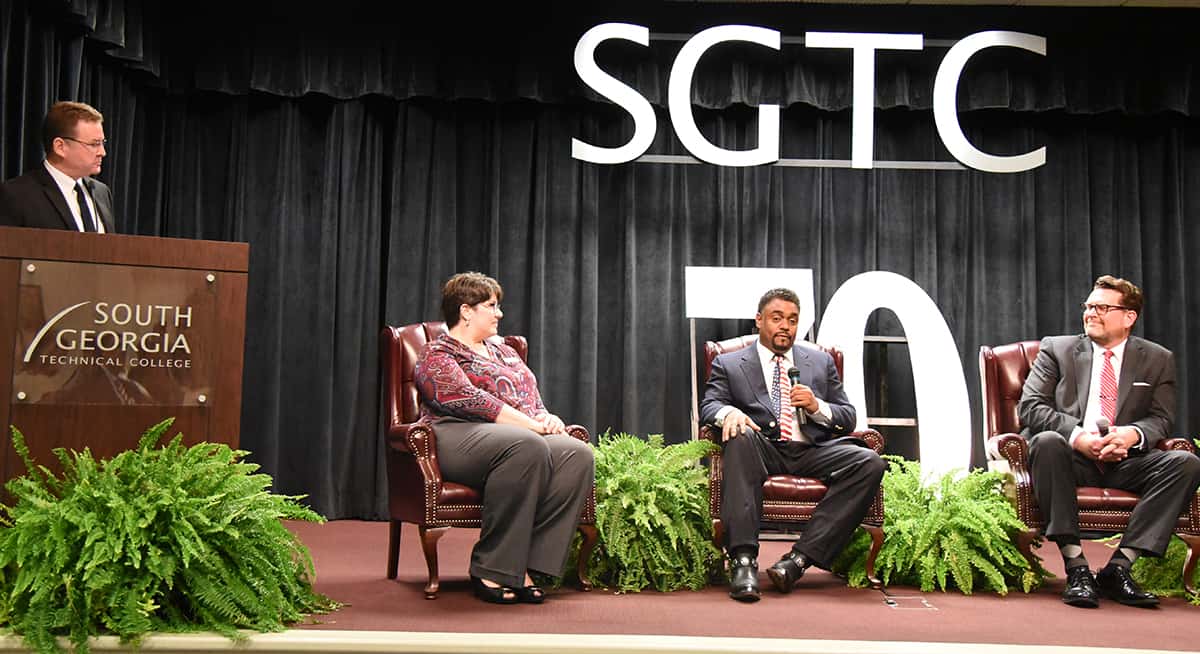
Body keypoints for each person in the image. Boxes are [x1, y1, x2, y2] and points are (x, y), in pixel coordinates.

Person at [1018, 274, 1200, 608]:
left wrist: (1132, 435)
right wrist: (1078, 437)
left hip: (1125, 460)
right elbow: (1030, 407)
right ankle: (1076, 567)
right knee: (1046, 442)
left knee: (1185, 463)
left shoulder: (1158, 359)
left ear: (1129, 317)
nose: (1090, 313)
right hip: (1071, 459)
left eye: (1102, 307)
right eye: (1088, 306)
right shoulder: (1057, 349)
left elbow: (1161, 418)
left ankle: (1119, 568)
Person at [413, 271, 595, 604]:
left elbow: (529, 397)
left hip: (516, 435)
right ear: (466, 311)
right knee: (525, 444)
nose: (499, 314)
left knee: (576, 453)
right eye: (491, 306)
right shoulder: (437, 354)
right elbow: (470, 400)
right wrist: (530, 425)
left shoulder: (506, 351)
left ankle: (528, 564)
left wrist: (546, 417)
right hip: (454, 435)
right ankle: (490, 567)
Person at [700, 287, 886, 602]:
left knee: (870, 462)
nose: (785, 326)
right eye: (777, 318)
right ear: (759, 320)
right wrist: (730, 413)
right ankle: (744, 561)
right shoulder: (729, 363)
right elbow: (710, 405)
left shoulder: (820, 361)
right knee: (740, 435)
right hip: (762, 447)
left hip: (813, 450)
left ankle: (798, 561)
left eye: (792, 320)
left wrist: (817, 406)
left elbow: (848, 417)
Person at [0, 101, 115, 232]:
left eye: (102, 143)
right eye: (94, 144)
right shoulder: (16, 195)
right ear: (60, 147)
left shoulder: (101, 192)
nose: (102, 152)